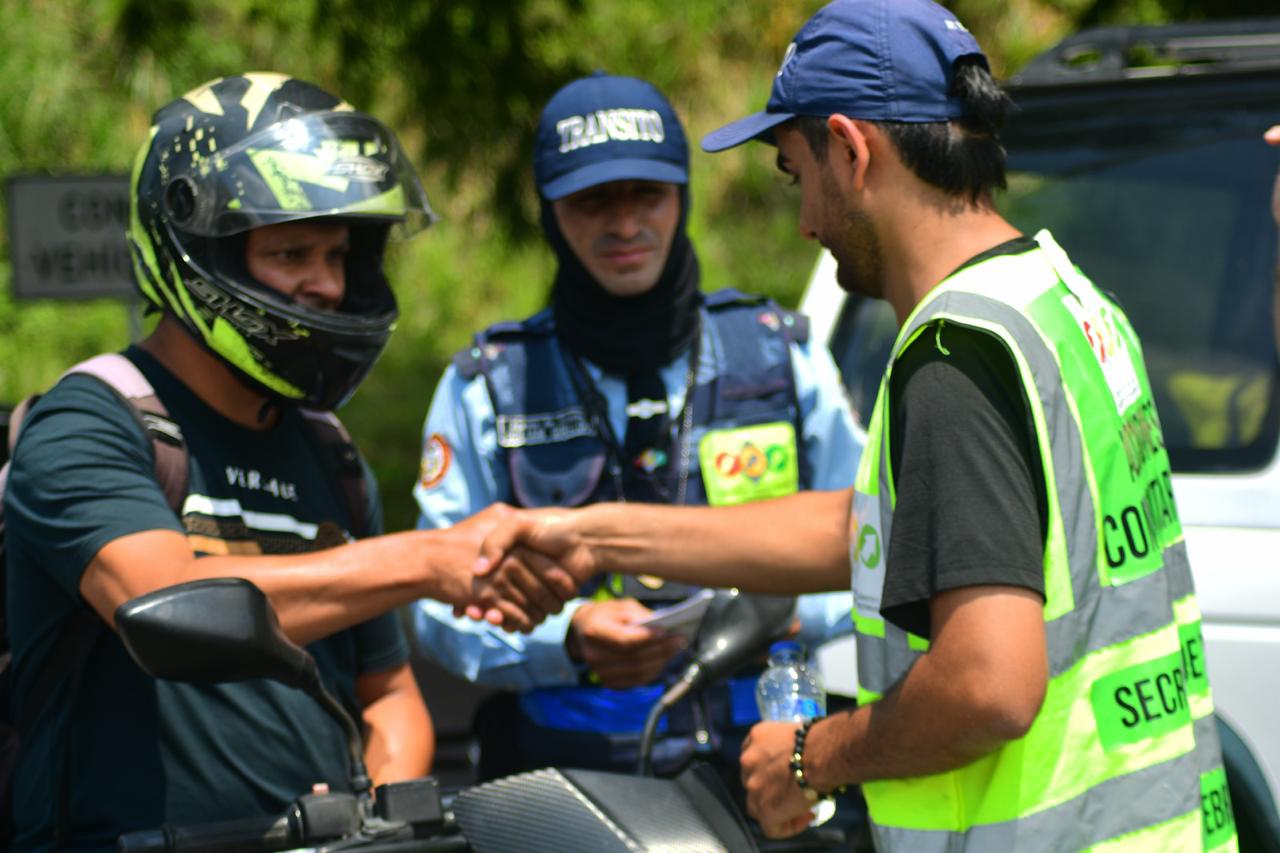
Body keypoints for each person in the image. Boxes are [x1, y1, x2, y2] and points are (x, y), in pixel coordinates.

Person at [469, 2, 1238, 850]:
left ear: (850, 147)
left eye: (797, 174)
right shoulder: (1063, 298)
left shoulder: (954, 354)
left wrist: (811, 755)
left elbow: (988, 683)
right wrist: (601, 536)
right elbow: (873, 530)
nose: (804, 223)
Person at [2, 73, 530, 849]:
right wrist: (425, 559)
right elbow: (170, 608)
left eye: (338, 253)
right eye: (289, 252)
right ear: (200, 247)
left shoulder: (328, 449)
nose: (325, 284)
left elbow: (390, 698)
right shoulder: (88, 425)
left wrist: (383, 818)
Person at [411, 72, 863, 779]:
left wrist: (785, 612)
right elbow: (435, 601)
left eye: (645, 195)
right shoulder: (488, 385)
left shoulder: (781, 352)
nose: (624, 225)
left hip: (775, 769)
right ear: (550, 213)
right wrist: (568, 639)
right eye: (593, 202)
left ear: (681, 197)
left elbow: (878, 545)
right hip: (579, 780)